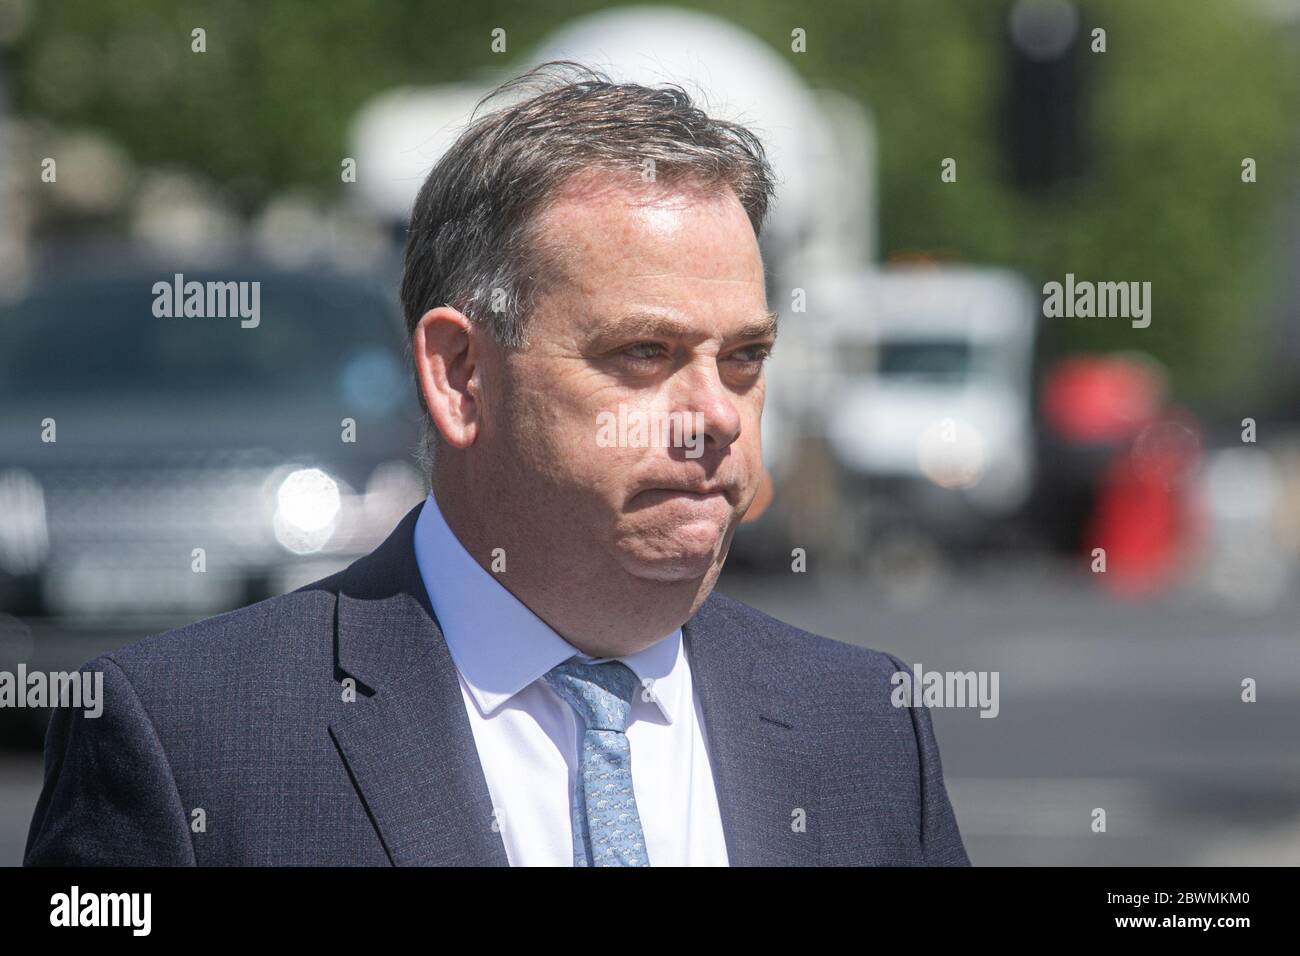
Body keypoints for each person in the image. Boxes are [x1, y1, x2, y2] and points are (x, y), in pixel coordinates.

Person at [24, 62, 969, 867]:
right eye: (644, 354)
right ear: (461, 374)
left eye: (744, 360)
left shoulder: (868, 729)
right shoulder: (193, 742)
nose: (715, 416)